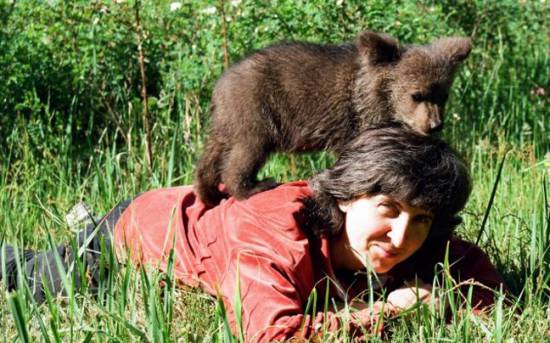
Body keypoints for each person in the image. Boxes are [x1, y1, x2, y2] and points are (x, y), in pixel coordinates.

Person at [0, 124, 507, 342]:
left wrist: (455, 305)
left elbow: (486, 289)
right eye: (388, 209)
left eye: (421, 219)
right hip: (145, 230)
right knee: (33, 278)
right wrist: (387, 312)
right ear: (349, 195)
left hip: (214, 215)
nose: (401, 236)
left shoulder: (421, 236)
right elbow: (269, 335)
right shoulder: (275, 229)